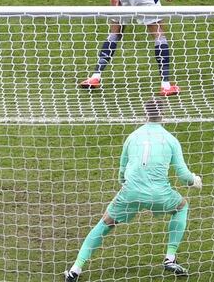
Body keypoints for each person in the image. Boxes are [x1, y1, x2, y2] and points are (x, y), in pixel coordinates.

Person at [64, 98, 201, 281]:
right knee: (181, 207)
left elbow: (121, 173)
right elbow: (184, 175)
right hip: (160, 195)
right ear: (163, 114)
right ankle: (170, 258)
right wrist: (194, 181)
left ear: (145, 113)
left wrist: (130, 188)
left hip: (131, 192)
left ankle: (75, 270)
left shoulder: (133, 136)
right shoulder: (170, 139)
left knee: (105, 223)